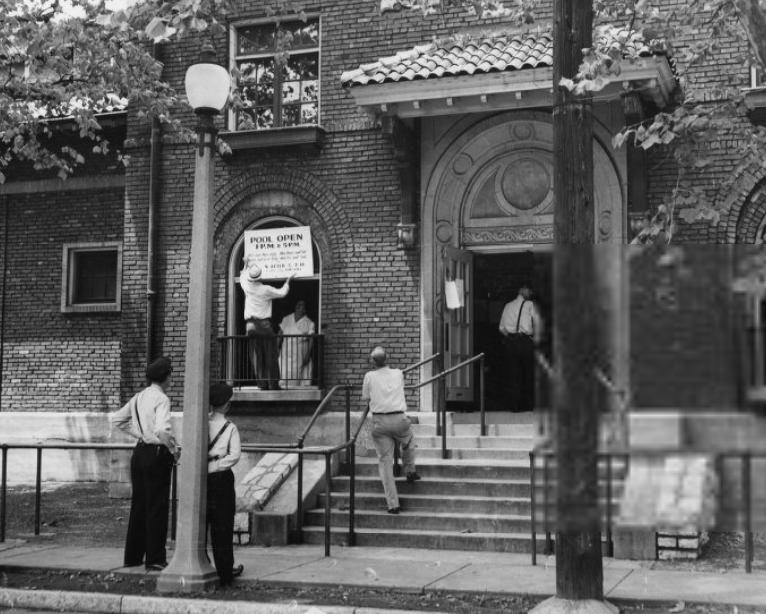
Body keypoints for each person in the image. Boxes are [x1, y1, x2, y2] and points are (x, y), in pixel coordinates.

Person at [110, 356, 179, 571]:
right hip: (157, 453)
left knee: (139, 504)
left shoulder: (139, 397)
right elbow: (161, 430)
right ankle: (155, 558)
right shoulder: (162, 399)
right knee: (157, 505)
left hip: (139, 453)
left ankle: (133, 555)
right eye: (170, 374)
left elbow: (118, 420)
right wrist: (173, 449)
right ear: (165, 377)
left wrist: (139, 433)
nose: (171, 379)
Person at [361, 346, 420, 515]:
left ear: (373, 361)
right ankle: (410, 470)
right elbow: (400, 379)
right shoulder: (398, 373)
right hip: (399, 419)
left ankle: (393, 504)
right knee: (408, 440)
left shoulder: (369, 376)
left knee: (385, 463)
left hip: (379, 421)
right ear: (387, 359)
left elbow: (366, 398)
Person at [206, 382, 244, 587]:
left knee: (205, 523)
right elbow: (235, 455)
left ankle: (206, 564)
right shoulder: (230, 428)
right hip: (221, 478)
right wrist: (218, 464)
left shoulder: (203, 423)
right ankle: (225, 570)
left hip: (204, 478)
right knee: (223, 525)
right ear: (227, 405)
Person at [239, 255, 293, 390]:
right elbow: (282, 293)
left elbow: (242, 276)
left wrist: (246, 264)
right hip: (264, 324)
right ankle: (273, 384)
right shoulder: (266, 289)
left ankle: (262, 384)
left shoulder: (247, 286)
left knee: (256, 355)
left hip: (250, 325)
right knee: (271, 354)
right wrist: (288, 281)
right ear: (260, 277)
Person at [498, 281, 543, 412]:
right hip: (525, 341)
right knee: (528, 374)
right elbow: (538, 323)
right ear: (522, 290)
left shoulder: (508, 306)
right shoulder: (530, 305)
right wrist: (536, 340)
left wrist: (511, 337)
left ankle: (514, 406)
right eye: (529, 290)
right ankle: (528, 405)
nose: (530, 293)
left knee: (513, 374)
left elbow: (501, 328)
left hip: (511, 342)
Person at [278, 300, 315, 388]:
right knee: (284, 373)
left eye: (302, 305)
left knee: (295, 375)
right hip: (285, 353)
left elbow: (311, 339)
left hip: (299, 354)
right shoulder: (286, 319)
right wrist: (276, 347)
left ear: (305, 310)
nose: (299, 306)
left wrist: (307, 354)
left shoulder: (309, 323)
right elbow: (280, 334)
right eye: (298, 304)